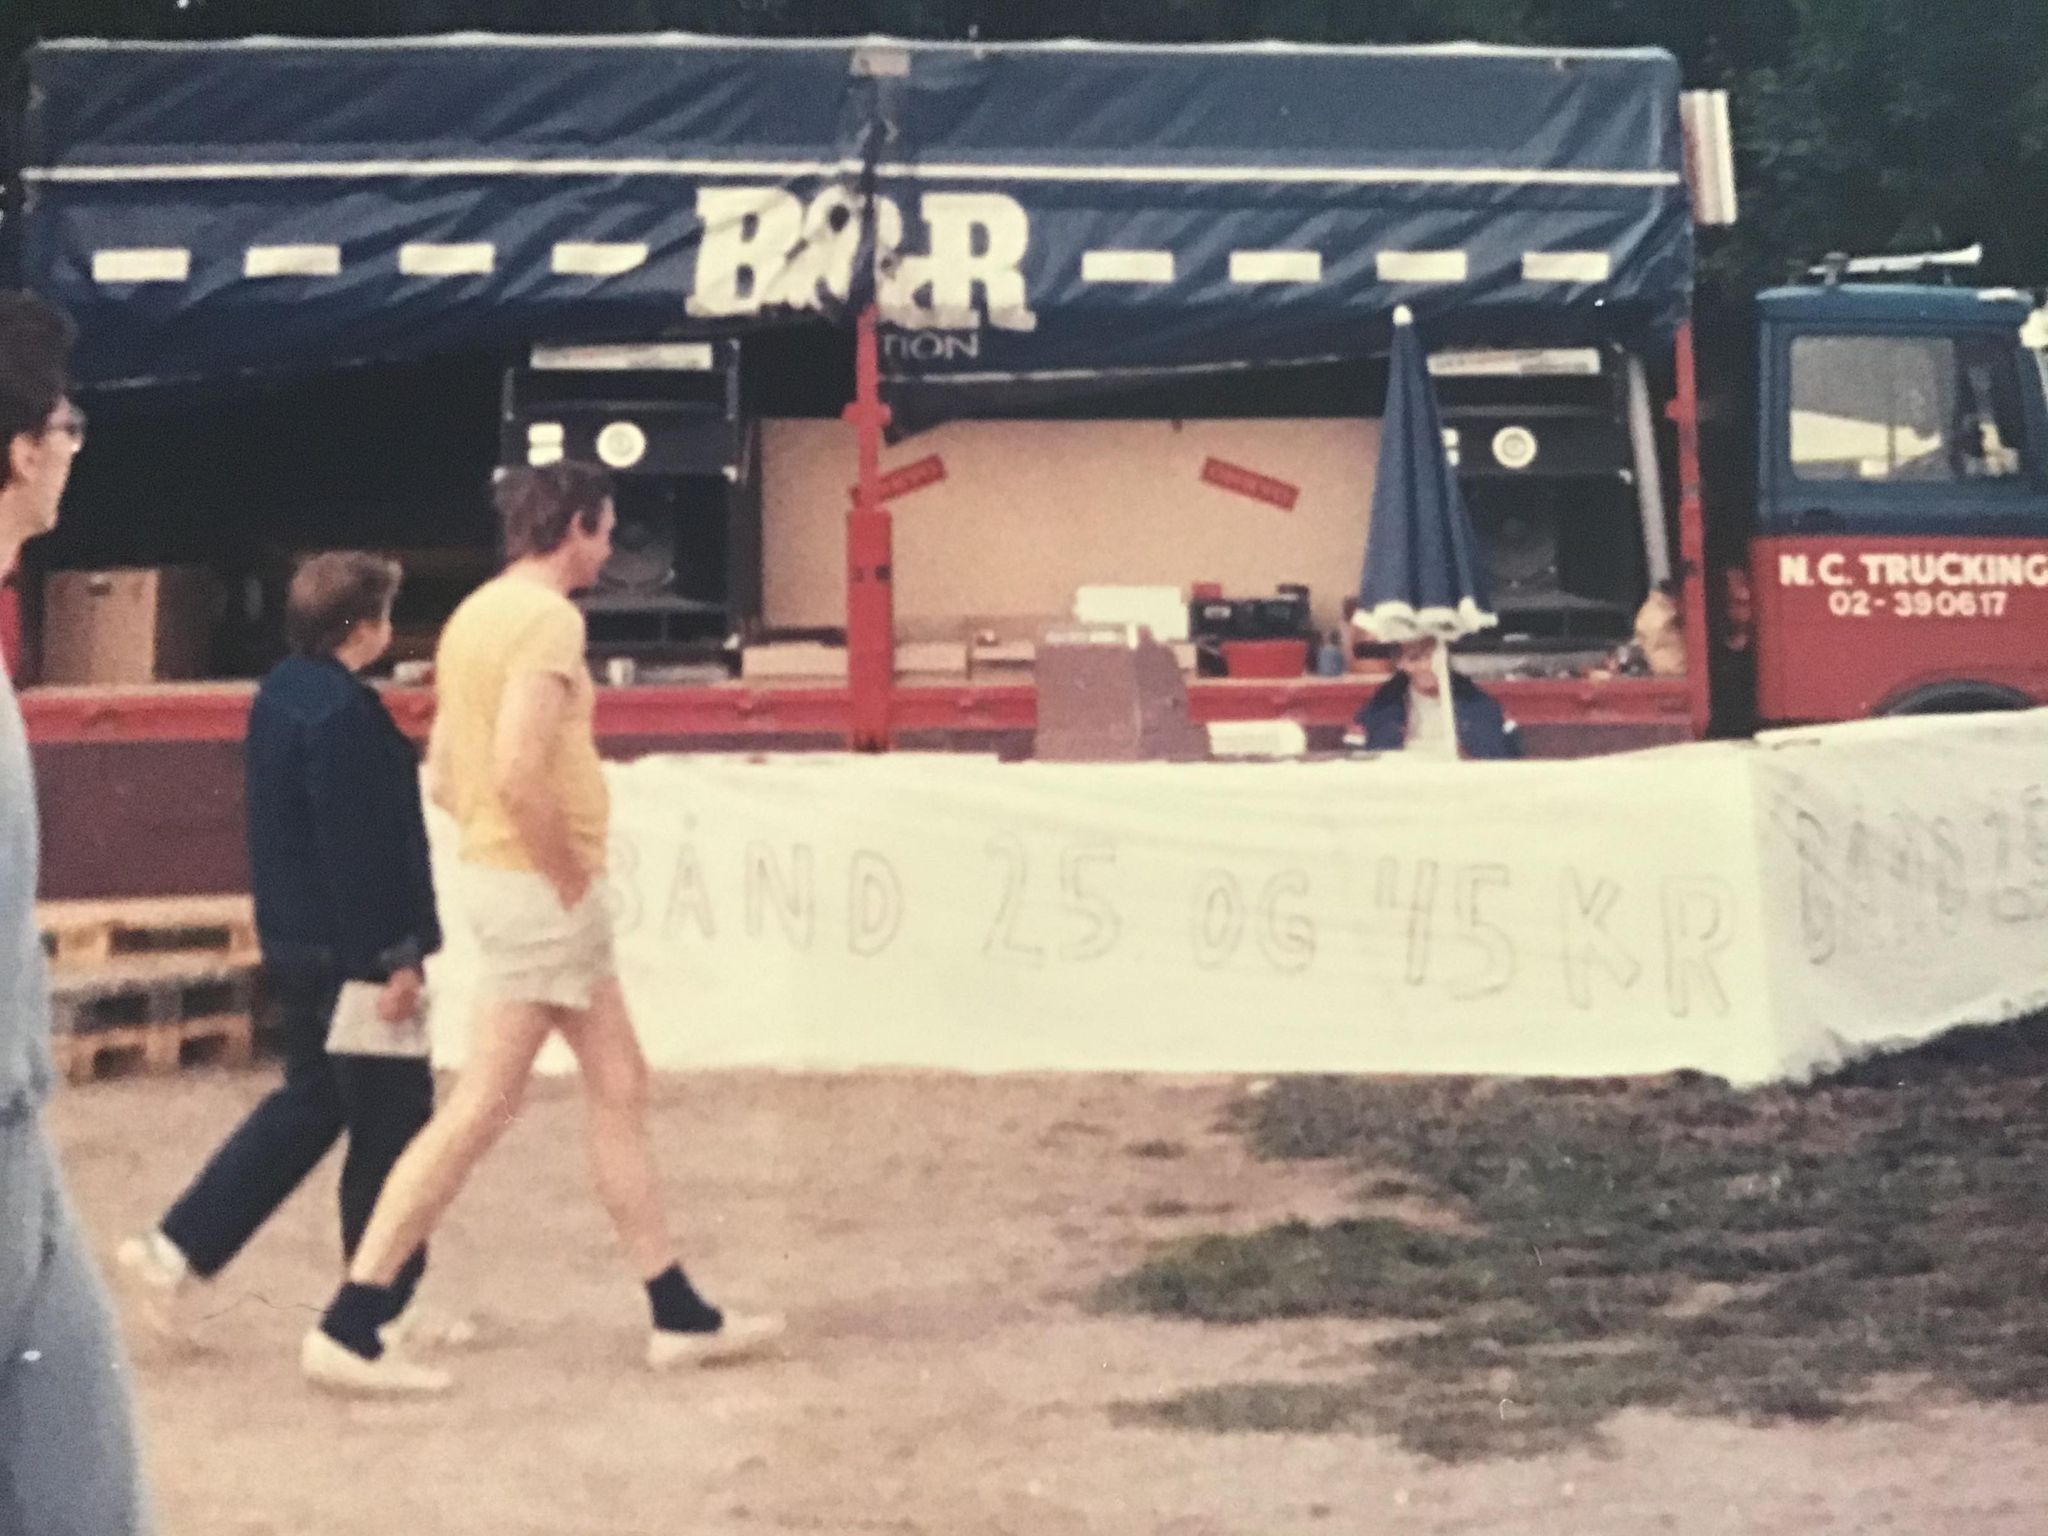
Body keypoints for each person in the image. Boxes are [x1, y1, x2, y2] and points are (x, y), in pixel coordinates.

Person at [301, 461, 781, 1395]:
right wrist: (565, 874)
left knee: (614, 1080)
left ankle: (676, 1309)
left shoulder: (477, 615)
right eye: (604, 530)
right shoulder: (549, 624)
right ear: (576, 526)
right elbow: (520, 767)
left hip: (504, 877)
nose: (609, 549)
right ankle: (352, 1320)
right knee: (486, 1105)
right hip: (540, 887)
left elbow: (448, 771)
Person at [118, 552, 452, 1352]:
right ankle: (383, 1300)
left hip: (298, 941)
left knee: (314, 1103)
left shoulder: (282, 696)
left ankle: (175, 1249)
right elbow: (361, 853)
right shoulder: (348, 720)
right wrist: (396, 957)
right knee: (393, 1121)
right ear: (363, 627)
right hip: (355, 955)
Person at [0, 290, 153, 1534]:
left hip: (21, 1136)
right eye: (68, 424)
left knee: (85, 1493)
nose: (73, 447)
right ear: (19, 450)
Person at [1346, 636, 1523, 759]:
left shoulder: (1483, 707)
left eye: (1432, 656)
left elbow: (1507, 760)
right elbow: (1356, 761)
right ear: (1400, 663)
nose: (1426, 666)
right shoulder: (1378, 711)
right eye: (1414, 658)